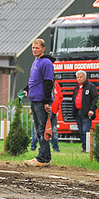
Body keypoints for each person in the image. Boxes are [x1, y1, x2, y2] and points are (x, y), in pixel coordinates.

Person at [23, 38, 55, 167]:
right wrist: (26, 89)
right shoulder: (35, 61)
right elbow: (33, 80)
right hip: (34, 99)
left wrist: (46, 102)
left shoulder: (46, 63)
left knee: (42, 130)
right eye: (33, 48)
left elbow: (48, 82)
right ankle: (46, 157)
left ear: (43, 49)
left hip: (42, 101)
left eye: (37, 48)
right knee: (38, 129)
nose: (34, 50)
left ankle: (42, 159)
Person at [31, 80, 61, 152]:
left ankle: (56, 148)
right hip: (44, 111)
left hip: (53, 111)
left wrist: (57, 108)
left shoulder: (56, 85)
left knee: (54, 131)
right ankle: (34, 146)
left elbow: (60, 97)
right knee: (39, 129)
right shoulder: (41, 85)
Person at [72, 70, 98, 153]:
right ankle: (84, 147)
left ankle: (88, 148)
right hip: (78, 112)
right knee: (80, 130)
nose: (79, 79)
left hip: (86, 113)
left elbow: (95, 99)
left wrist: (92, 109)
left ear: (85, 77)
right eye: (77, 77)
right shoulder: (76, 88)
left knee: (86, 130)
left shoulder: (90, 87)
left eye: (81, 77)